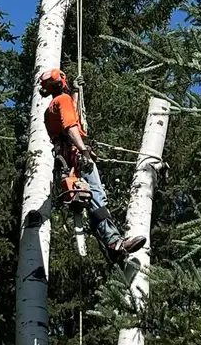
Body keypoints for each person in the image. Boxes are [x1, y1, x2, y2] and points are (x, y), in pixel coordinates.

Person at [39, 68, 146, 263]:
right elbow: (71, 127)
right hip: (75, 156)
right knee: (97, 197)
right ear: (61, 82)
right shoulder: (63, 101)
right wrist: (84, 151)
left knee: (92, 200)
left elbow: (71, 116)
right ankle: (114, 243)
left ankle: (112, 246)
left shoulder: (50, 109)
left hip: (64, 162)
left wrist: (77, 93)